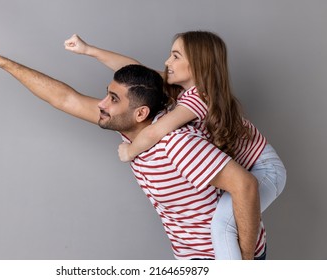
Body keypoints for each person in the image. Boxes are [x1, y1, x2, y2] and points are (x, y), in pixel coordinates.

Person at [0, 43, 265, 260]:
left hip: (223, 258)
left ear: (141, 113)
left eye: (112, 99)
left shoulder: (177, 143)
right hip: (191, 257)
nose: (101, 104)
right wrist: (0, 62)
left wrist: (246, 263)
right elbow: (65, 98)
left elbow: (246, 185)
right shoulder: (132, 125)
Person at [64, 31, 286, 259]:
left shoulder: (199, 98)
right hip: (252, 166)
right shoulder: (184, 91)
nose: (167, 62)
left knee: (221, 225)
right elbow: (135, 70)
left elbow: (157, 130)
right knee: (224, 221)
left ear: (199, 65)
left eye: (176, 56)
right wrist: (88, 50)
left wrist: (130, 151)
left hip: (266, 169)